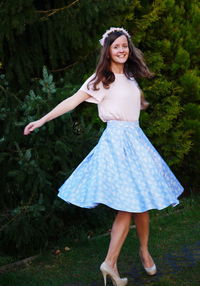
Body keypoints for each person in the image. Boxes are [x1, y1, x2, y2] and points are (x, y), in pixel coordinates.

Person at [24, 27, 184, 286]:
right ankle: (110, 262)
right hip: (117, 144)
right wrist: (41, 120)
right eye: (116, 46)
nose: (122, 50)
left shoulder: (131, 76)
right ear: (108, 51)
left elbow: (130, 100)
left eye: (125, 45)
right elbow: (72, 101)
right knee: (128, 204)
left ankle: (143, 251)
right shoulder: (101, 79)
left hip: (137, 141)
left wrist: (139, 103)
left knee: (141, 202)